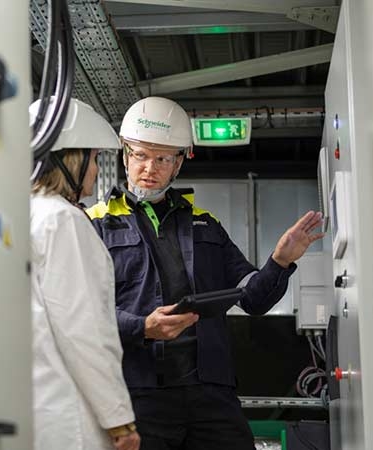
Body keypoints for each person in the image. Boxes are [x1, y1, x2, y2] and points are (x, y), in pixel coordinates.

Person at [87, 96, 324, 450]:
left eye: (163, 158)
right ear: (124, 154)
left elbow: (254, 299)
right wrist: (142, 327)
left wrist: (280, 260)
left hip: (210, 393)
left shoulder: (205, 225)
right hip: (138, 391)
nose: (149, 168)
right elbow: (84, 313)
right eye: (140, 155)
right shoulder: (95, 224)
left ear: (180, 162)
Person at [30, 97, 141, 450]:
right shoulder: (63, 220)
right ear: (70, 161)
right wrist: (119, 420)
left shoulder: (18, 217)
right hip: (69, 419)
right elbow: (85, 330)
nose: (95, 171)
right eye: (93, 159)